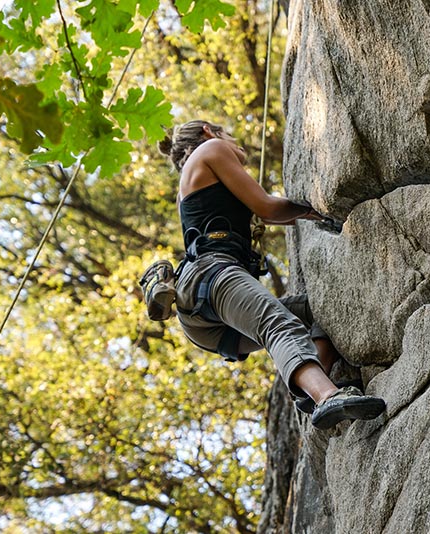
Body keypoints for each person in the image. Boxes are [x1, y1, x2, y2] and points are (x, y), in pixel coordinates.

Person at [157, 120, 385, 430]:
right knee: (277, 324)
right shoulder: (212, 148)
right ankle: (327, 397)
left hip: (205, 320)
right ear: (209, 131)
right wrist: (313, 210)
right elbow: (267, 208)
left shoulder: (191, 182)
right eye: (228, 133)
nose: (235, 142)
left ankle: (311, 386)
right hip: (211, 277)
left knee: (322, 308)